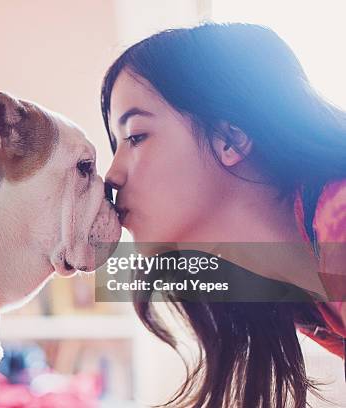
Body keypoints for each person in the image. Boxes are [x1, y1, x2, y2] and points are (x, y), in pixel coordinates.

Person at [102, 22, 345, 408]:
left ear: (229, 139)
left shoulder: (339, 217)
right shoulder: (301, 293)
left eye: (135, 136)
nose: (112, 175)